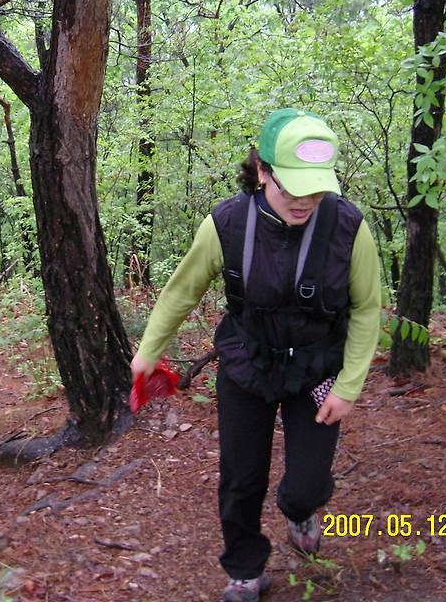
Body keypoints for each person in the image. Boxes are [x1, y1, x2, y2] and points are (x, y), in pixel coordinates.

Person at [131, 108, 381, 602]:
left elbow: (367, 309)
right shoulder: (226, 224)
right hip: (247, 363)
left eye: (315, 188)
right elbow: (180, 294)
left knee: (306, 486)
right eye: (292, 187)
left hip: (317, 371)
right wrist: (147, 354)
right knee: (241, 479)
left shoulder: (349, 228)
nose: (306, 200)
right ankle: (245, 567)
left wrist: (349, 386)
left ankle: (300, 511)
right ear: (263, 171)